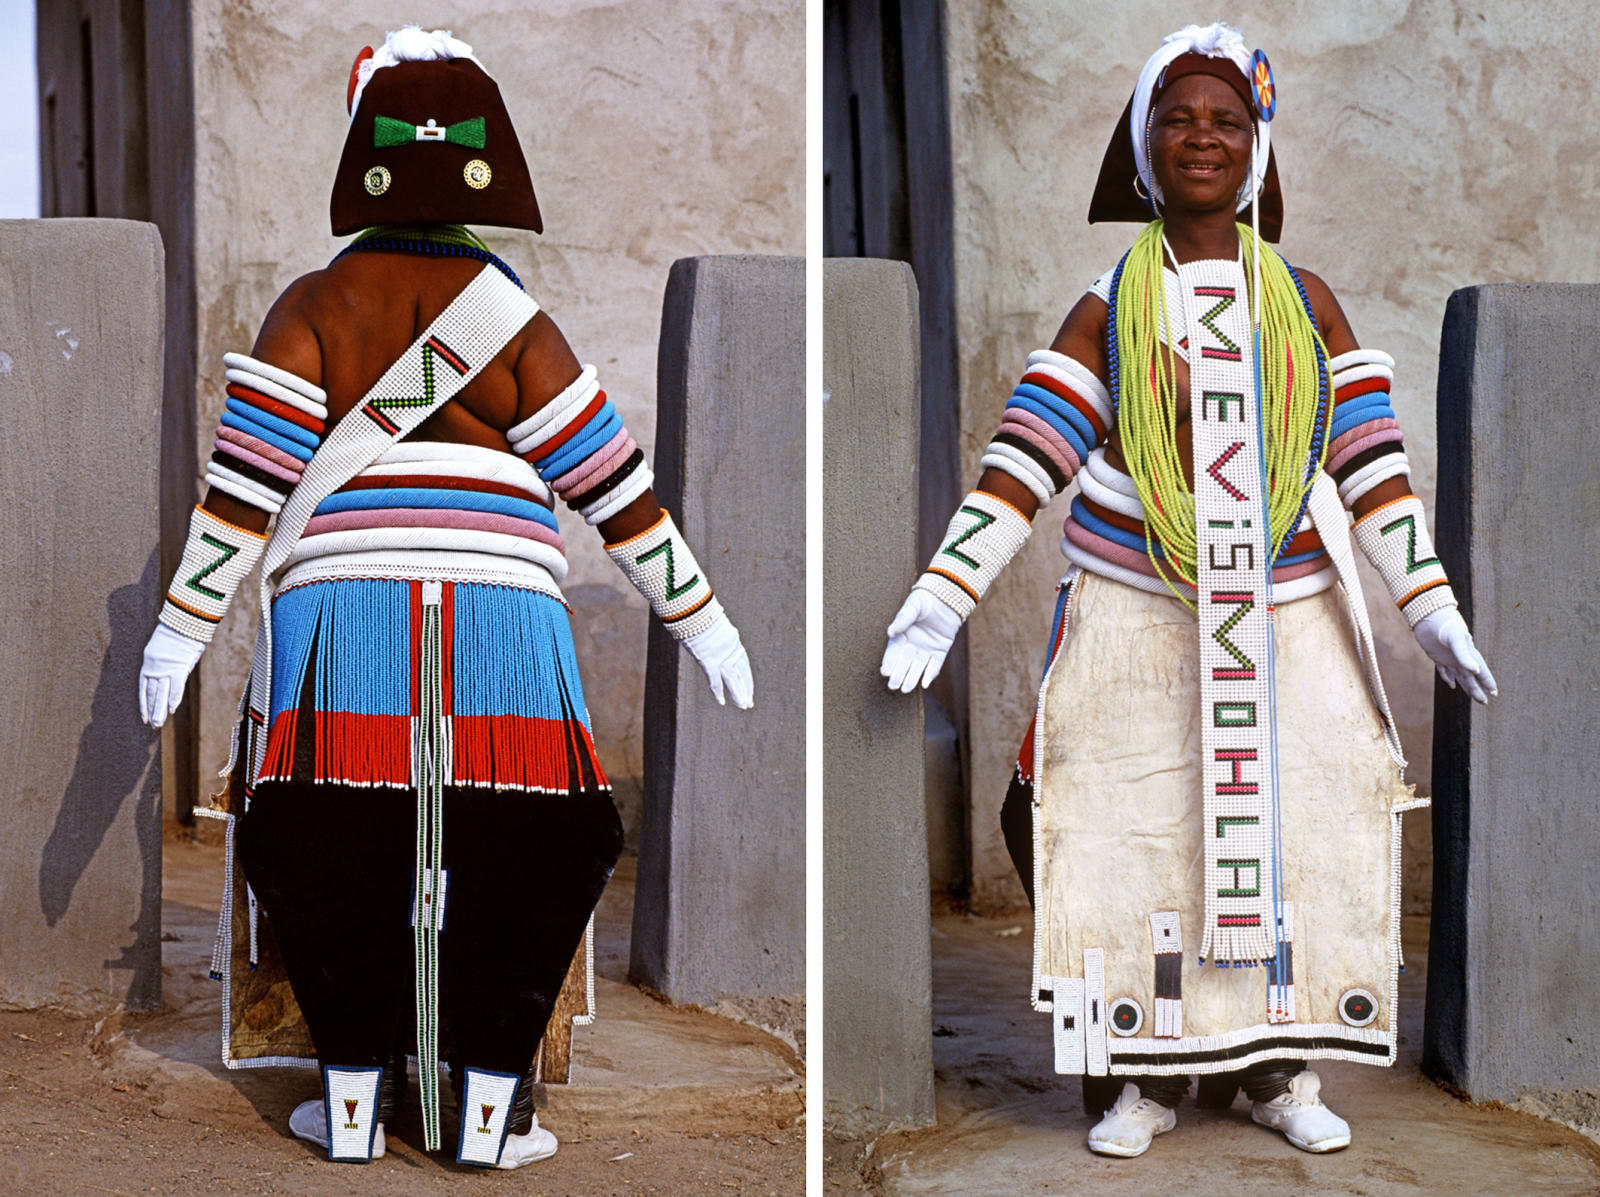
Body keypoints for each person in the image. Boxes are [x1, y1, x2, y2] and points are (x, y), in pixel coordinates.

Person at [138, 27, 753, 1169]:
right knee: (534, 836)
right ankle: (485, 1112)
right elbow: (614, 491)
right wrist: (701, 617)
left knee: (330, 836)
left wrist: (182, 627)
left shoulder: (318, 304)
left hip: (346, 616)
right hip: (501, 619)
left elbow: (241, 496)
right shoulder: (516, 321)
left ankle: (355, 1101)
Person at [881, 21, 1495, 1159]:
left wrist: (1430, 605)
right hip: (1133, 611)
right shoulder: (1109, 303)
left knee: (1304, 824)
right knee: (1094, 820)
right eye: (1176, 116)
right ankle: (1142, 1071)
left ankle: (1275, 1066)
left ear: (1257, 150)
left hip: (1283, 613)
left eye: (1225, 119)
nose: (1200, 136)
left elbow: (1368, 464)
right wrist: (946, 592)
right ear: (1142, 144)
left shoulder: (1304, 300)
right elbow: (1026, 459)